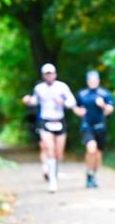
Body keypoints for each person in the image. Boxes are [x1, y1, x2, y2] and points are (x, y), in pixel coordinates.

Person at [22, 63, 77, 193]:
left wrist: (62, 102)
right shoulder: (39, 88)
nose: (49, 76)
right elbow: (35, 101)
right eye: (47, 74)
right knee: (49, 149)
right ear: (43, 75)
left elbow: (72, 102)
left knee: (59, 153)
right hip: (45, 121)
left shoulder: (62, 87)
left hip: (59, 121)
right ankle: (52, 181)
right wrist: (28, 100)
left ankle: (54, 172)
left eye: (51, 73)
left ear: (55, 74)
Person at [73, 70, 115, 188]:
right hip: (87, 126)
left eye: (95, 80)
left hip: (100, 126)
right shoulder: (82, 94)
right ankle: (89, 175)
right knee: (91, 149)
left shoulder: (104, 94)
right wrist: (79, 111)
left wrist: (103, 105)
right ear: (87, 81)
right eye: (91, 80)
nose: (93, 82)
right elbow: (75, 107)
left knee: (98, 155)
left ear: (98, 81)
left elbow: (110, 110)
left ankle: (93, 174)